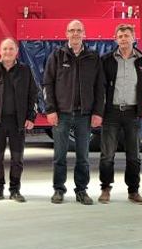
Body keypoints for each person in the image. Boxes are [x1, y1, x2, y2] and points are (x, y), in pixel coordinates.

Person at [43, 19, 104, 205]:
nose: (75, 34)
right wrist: (51, 109)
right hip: (62, 115)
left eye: (79, 30)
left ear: (84, 34)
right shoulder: (57, 55)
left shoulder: (93, 57)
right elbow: (47, 84)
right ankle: (58, 190)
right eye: (72, 30)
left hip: (85, 116)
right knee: (59, 156)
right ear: (66, 33)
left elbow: (99, 87)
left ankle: (82, 191)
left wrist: (97, 112)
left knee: (83, 157)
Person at [0, 38, 39, 202]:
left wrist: (31, 117)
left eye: (11, 49)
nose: (8, 52)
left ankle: (15, 190)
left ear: (16, 51)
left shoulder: (25, 70)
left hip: (17, 122)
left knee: (17, 159)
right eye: (5, 49)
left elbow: (33, 95)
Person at [98, 24, 142, 204]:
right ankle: (105, 189)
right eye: (120, 36)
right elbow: (100, 87)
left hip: (132, 113)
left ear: (133, 38)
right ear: (115, 39)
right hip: (111, 113)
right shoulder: (106, 60)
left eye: (126, 36)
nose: (123, 39)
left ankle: (133, 191)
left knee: (134, 155)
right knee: (107, 155)